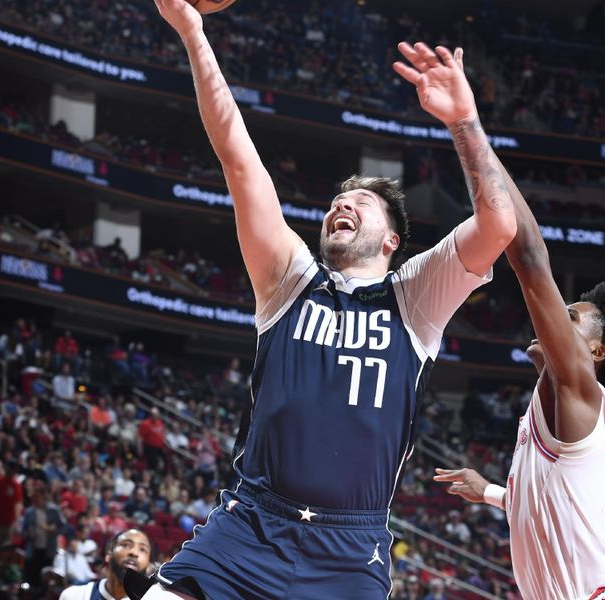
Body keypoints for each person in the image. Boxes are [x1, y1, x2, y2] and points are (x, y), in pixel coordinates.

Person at [140, 4, 516, 599]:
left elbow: (499, 224)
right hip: (248, 526)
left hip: (349, 550)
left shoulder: (415, 297)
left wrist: (464, 121)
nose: (344, 204)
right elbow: (239, 161)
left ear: (392, 239)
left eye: (362, 201)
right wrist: (194, 33)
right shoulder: (289, 278)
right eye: (339, 199)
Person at [431, 41, 605, 598]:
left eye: (574, 315)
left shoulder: (579, 386)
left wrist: (466, 123)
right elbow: (557, 506)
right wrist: (489, 493)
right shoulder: (562, 408)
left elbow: (528, 257)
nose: (559, 315)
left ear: (595, 352)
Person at [60, 529, 152, 600]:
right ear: (108, 555)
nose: (134, 552)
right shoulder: (73, 596)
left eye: (143, 549)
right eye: (126, 545)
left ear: (149, 566)